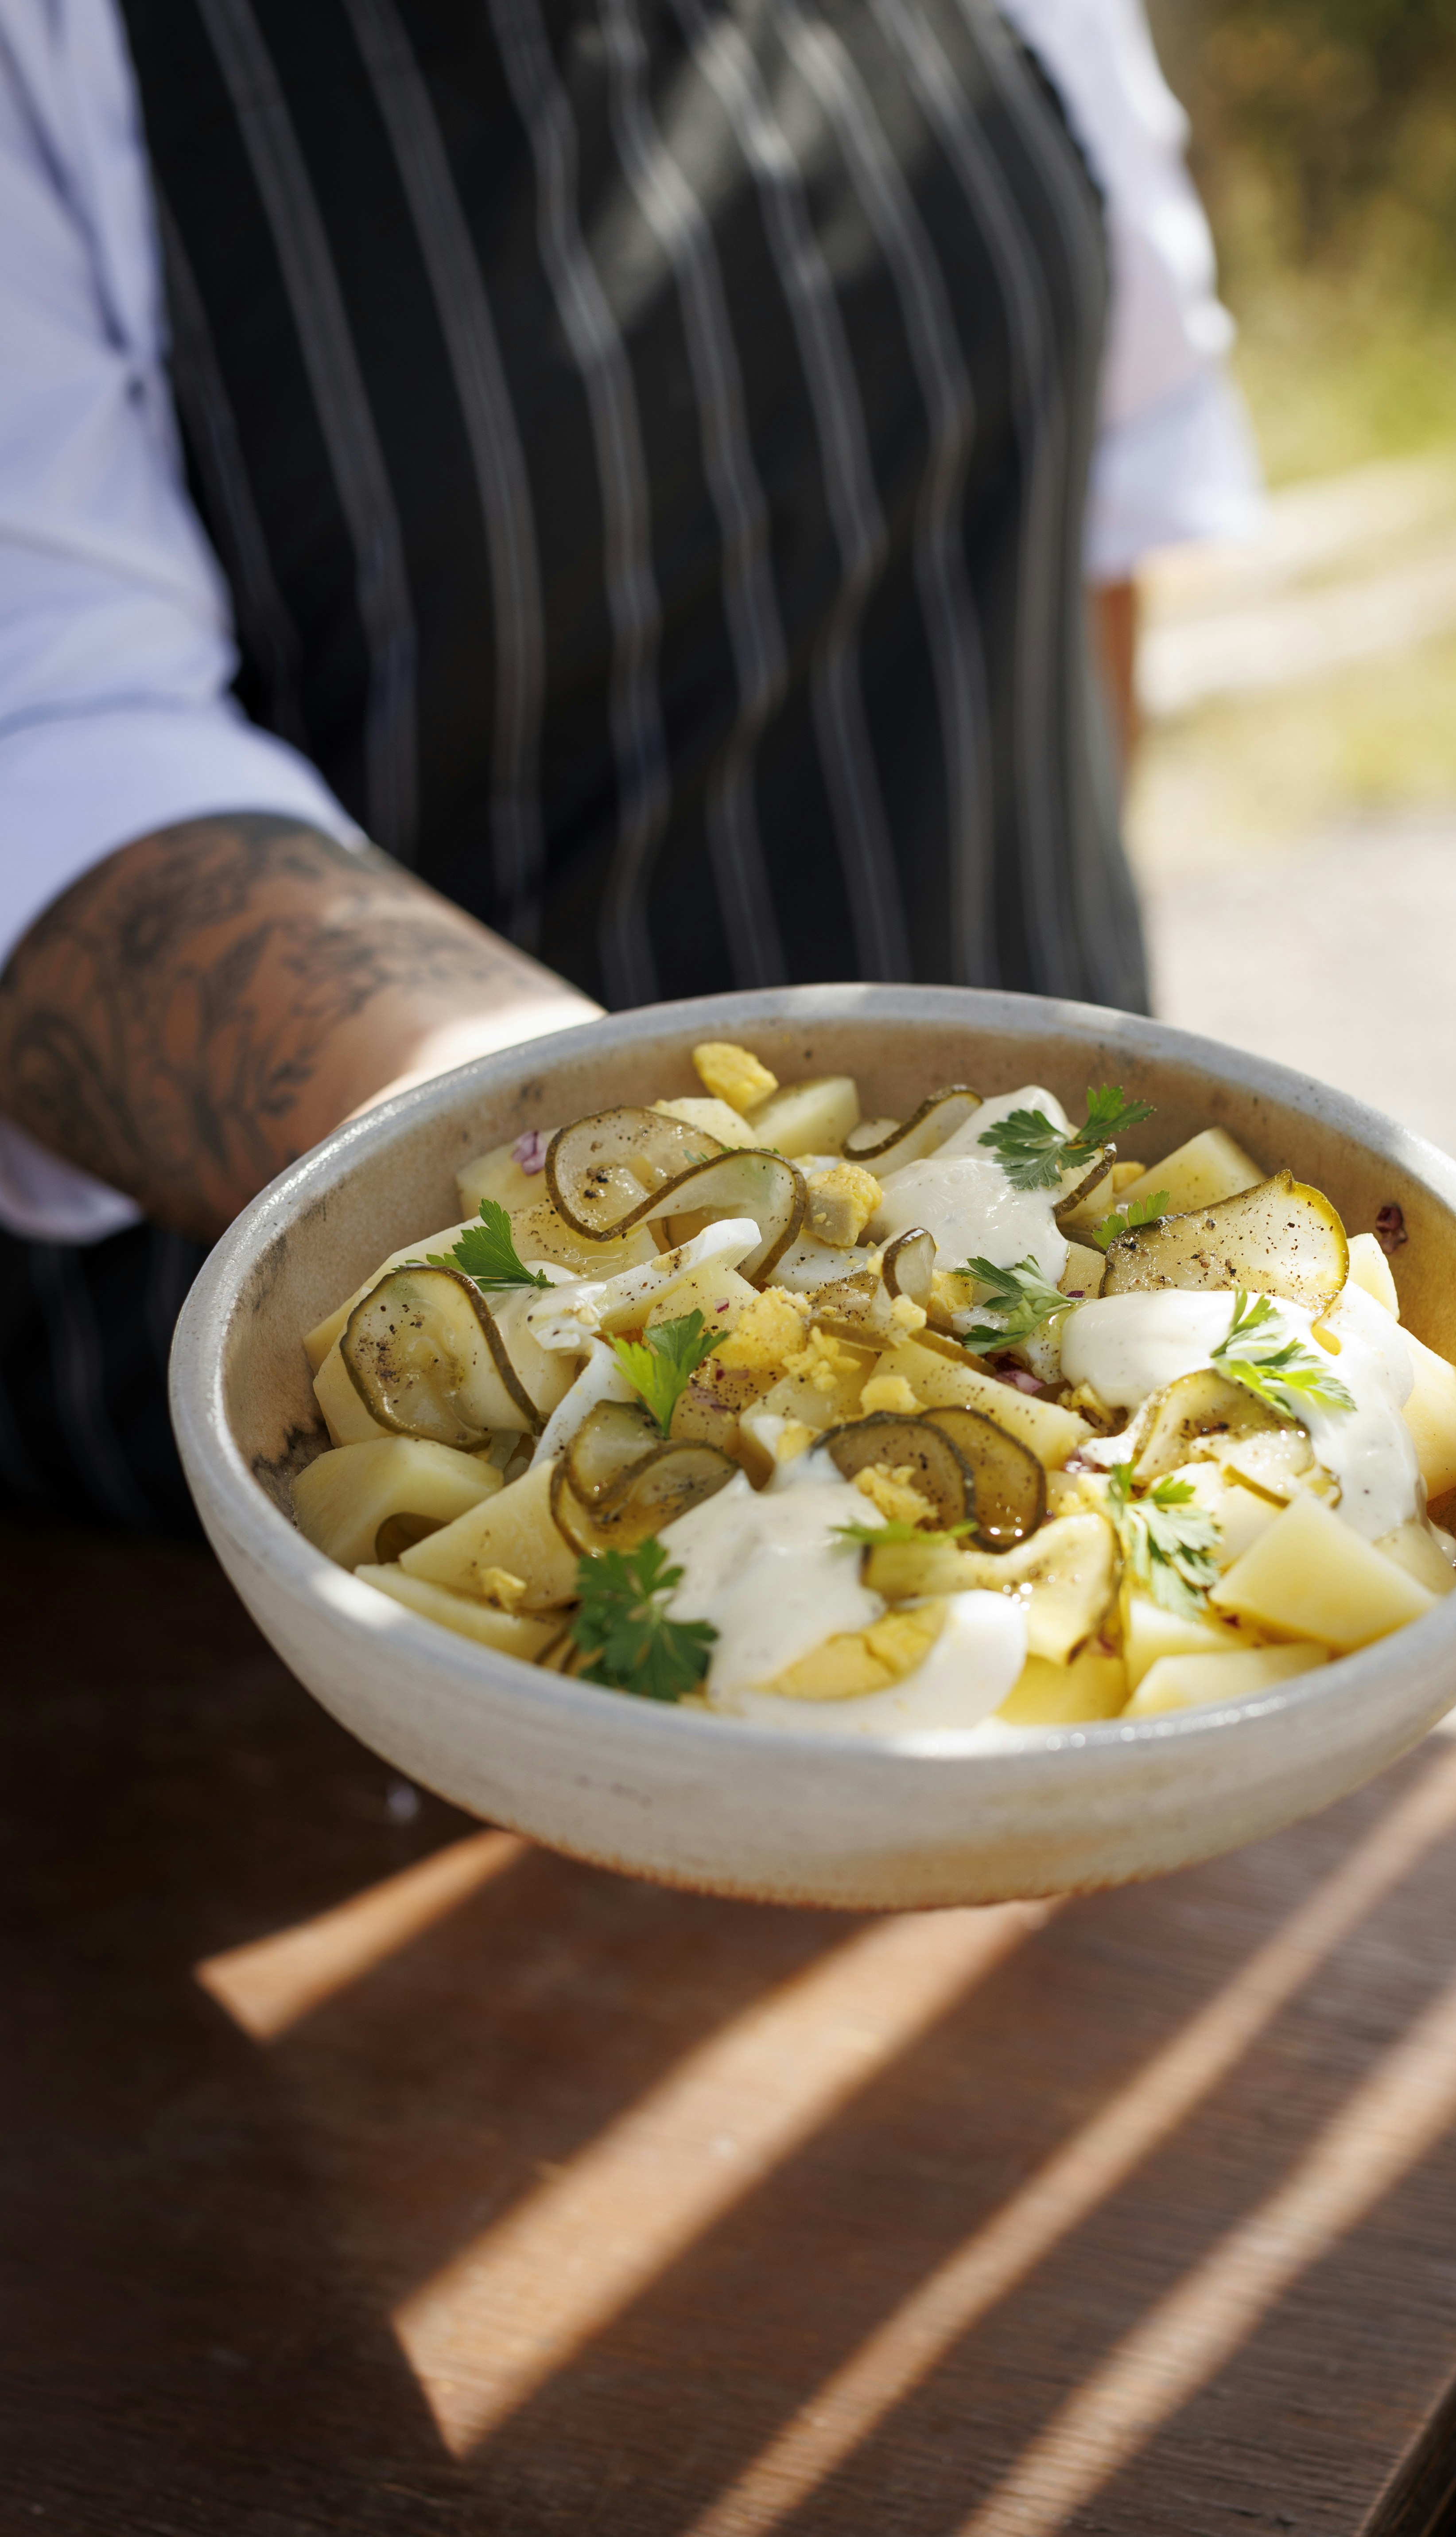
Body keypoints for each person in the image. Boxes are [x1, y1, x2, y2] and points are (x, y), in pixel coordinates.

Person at [0, 0, 1259, 1531]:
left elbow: (1089, 521)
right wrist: (668, 1236)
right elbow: (52, 744)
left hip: (1071, 1375)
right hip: (327, 1548)